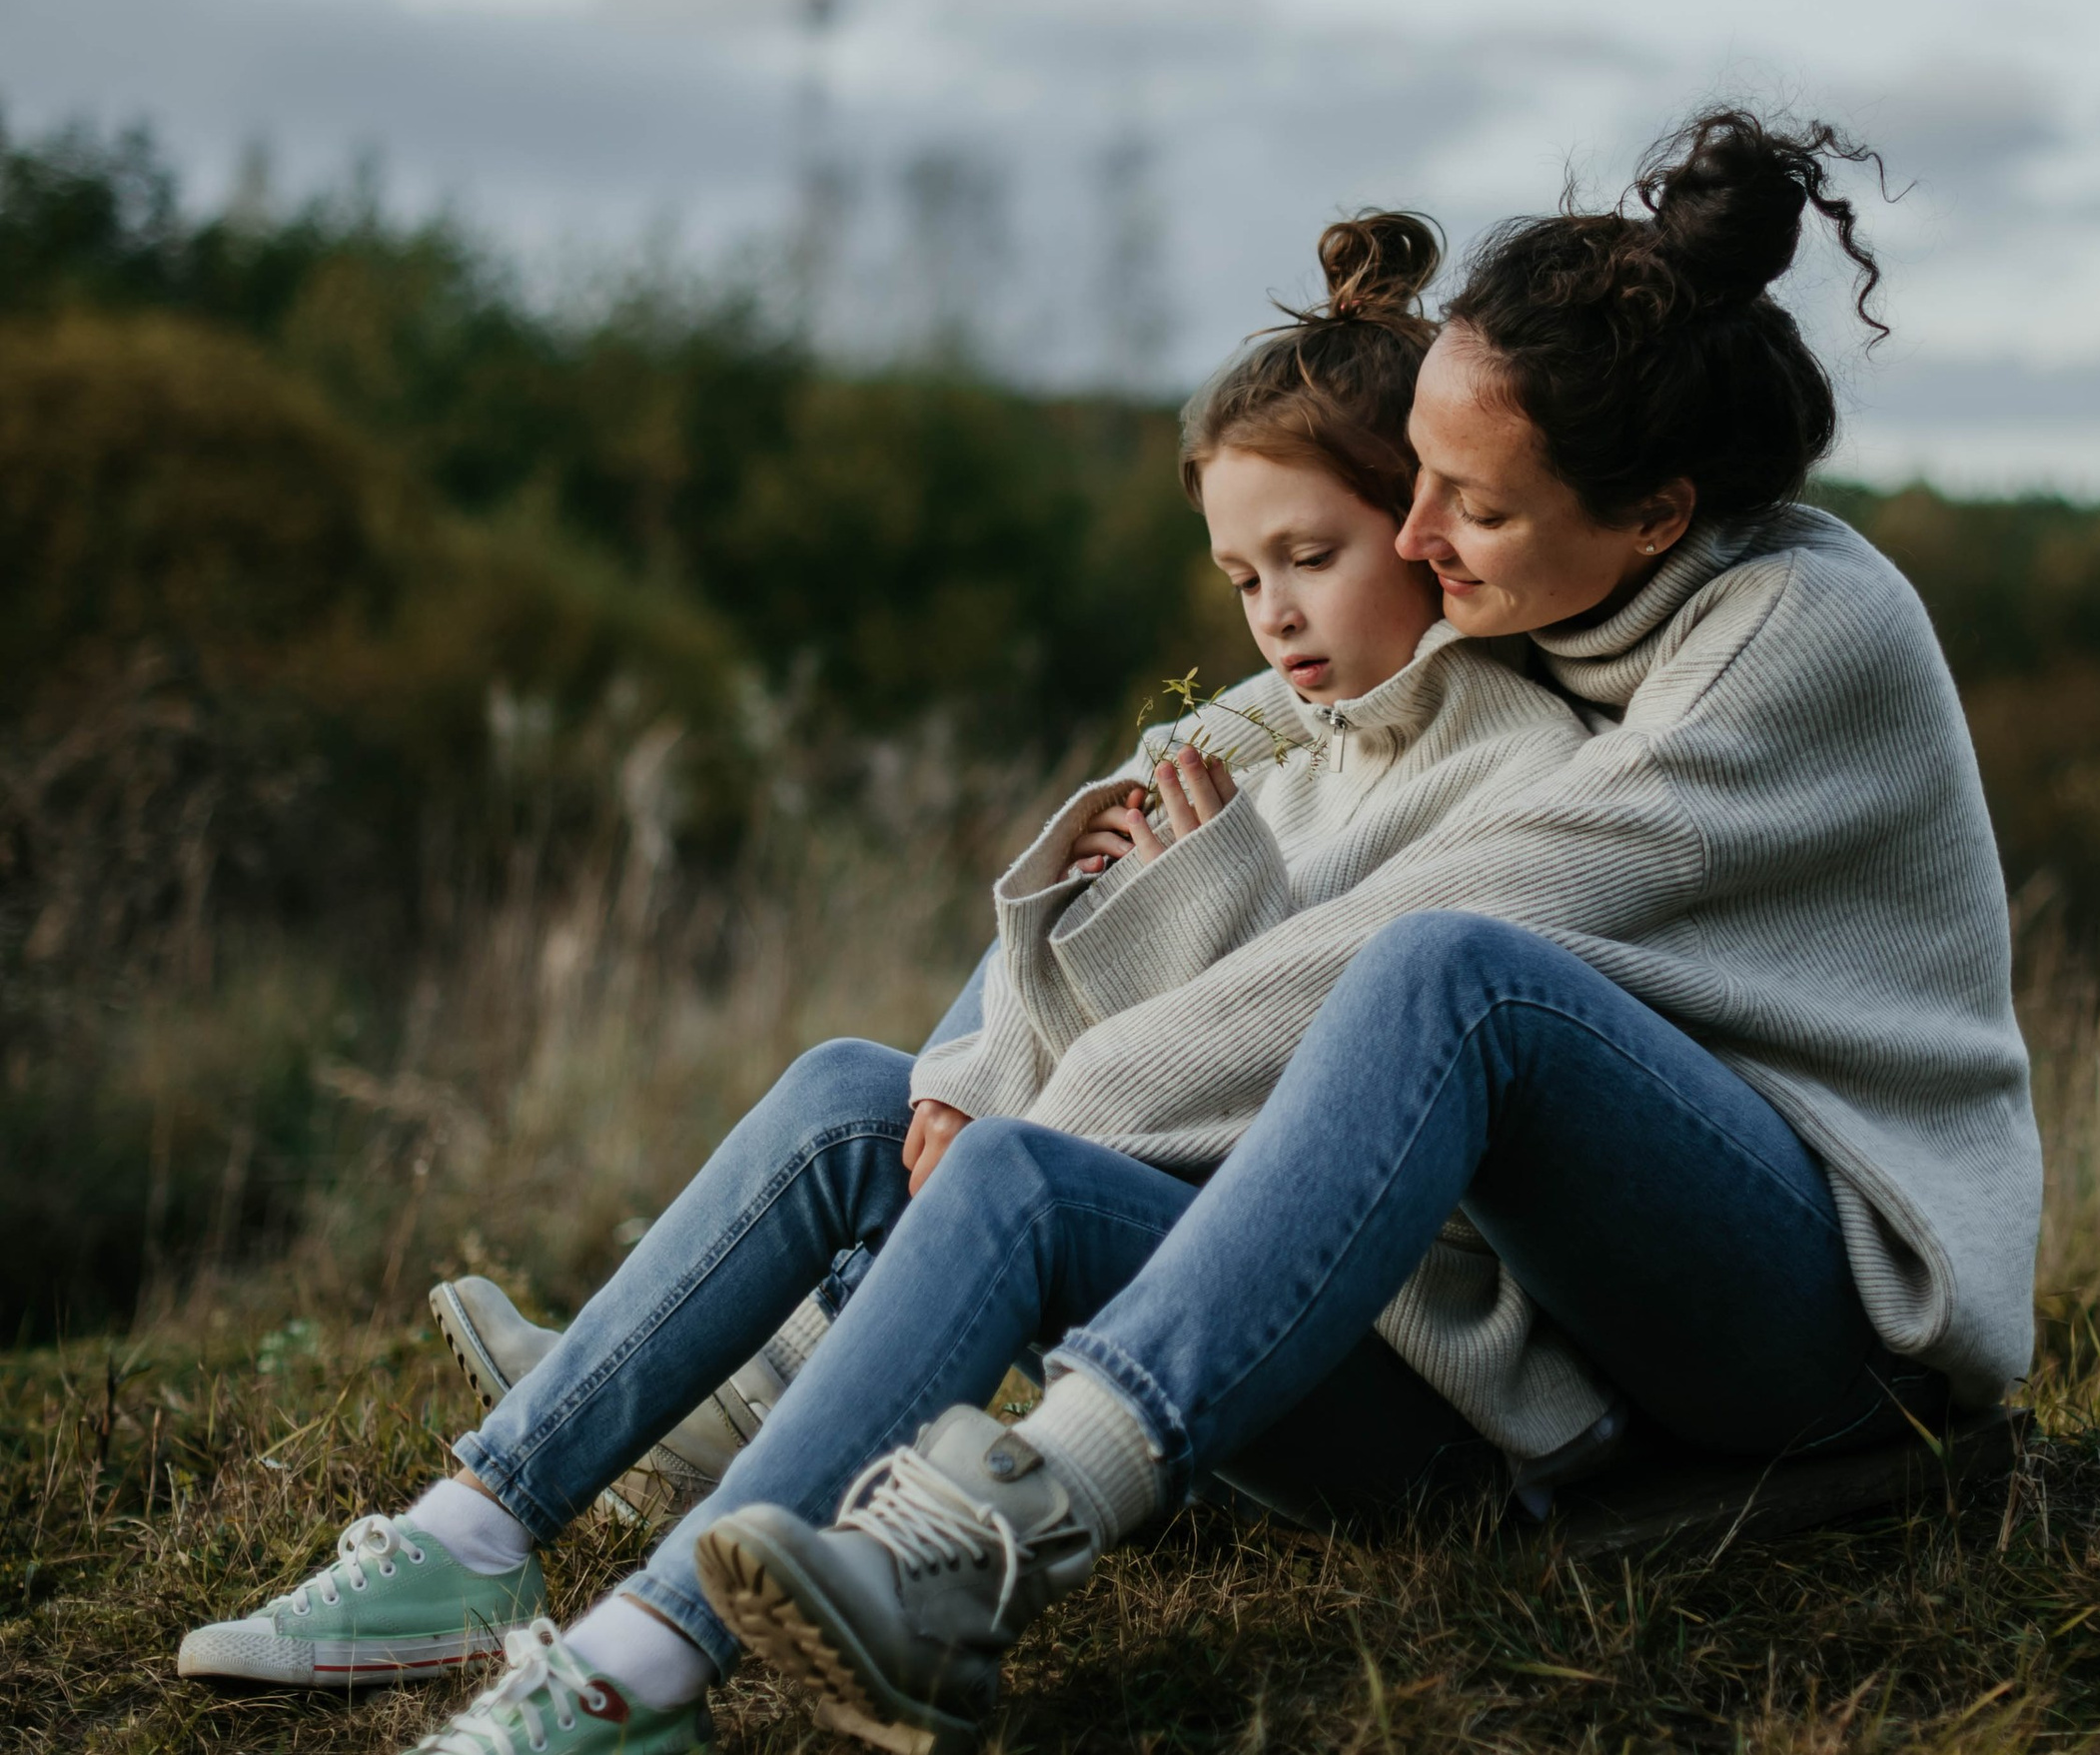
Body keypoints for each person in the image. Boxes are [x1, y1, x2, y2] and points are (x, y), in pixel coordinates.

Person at [684, 106, 2042, 1754]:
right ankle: (789, 1405)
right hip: (1618, 1255)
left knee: (1447, 973)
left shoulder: (1794, 637)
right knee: (1167, 940)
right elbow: (1225, 751)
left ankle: (1021, 1517)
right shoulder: (1560, 591)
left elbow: (1434, 923)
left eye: (1463, 504)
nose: (1411, 538)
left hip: (1826, 1307)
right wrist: (989, 1042)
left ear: (1661, 511)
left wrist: (1057, 1107)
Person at [173, 214, 1593, 1750]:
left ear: (1426, 522)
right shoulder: (1264, 741)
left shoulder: (1521, 770)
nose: (1274, 611)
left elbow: (1320, 1101)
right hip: (1195, 1273)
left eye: (1311, 557)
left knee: (1004, 1172)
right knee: (861, 1085)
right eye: (1243, 574)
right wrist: (1034, 990)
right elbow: (1082, 1043)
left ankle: (637, 1665)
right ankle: (472, 1531)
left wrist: (1207, 908)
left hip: (1390, 1373)